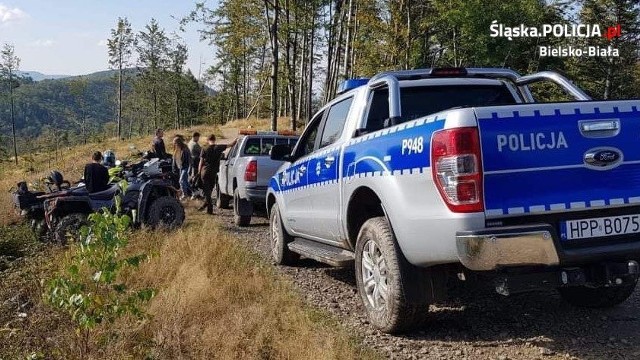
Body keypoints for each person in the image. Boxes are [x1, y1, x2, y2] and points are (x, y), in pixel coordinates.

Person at [199, 134, 237, 214]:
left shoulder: (204, 148)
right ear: (214, 139)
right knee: (210, 189)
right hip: (214, 171)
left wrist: (198, 172)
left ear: (207, 140)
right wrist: (237, 138)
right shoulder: (219, 147)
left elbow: (201, 162)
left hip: (205, 171)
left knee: (206, 190)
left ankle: (209, 208)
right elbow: (231, 144)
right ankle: (206, 204)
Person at [173, 135, 192, 200]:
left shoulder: (185, 149)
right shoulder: (178, 149)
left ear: (178, 143)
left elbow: (190, 159)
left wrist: (190, 168)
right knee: (185, 182)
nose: (174, 144)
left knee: (181, 181)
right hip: (180, 167)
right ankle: (195, 192)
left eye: (175, 143)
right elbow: (176, 158)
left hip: (185, 167)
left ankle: (185, 195)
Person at [188, 132, 203, 199]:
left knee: (193, 175)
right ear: (195, 137)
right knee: (195, 176)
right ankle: (194, 190)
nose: (198, 139)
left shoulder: (189, 143)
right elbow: (201, 152)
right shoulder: (195, 144)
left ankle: (193, 190)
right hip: (195, 162)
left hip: (191, 162)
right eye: (198, 137)